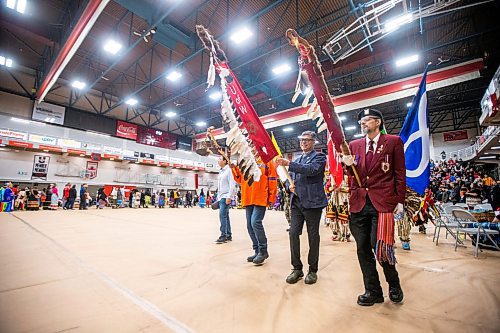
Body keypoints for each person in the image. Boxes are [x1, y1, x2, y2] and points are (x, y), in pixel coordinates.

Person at [342, 108, 405, 306]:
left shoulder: (393, 142)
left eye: (367, 120)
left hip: (382, 202)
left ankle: (393, 284)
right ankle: (373, 290)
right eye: (361, 120)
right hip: (359, 203)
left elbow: (399, 173)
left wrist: (400, 201)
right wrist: (346, 164)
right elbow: (353, 173)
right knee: (362, 249)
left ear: (378, 122)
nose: (363, 123)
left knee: (380, 246)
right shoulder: (354, 144)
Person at [276, 130, 327, 285]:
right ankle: (297, 268)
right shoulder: (298, 159)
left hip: (313, 203)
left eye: (307, 140)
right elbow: (288, 178)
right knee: (293, 233)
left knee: (313, 237)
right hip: (297, 202)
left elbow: (311, 170)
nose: (303, 142)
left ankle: (313, 270)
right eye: (302, 140)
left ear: (314, 142)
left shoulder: (319, 157)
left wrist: (289, 163)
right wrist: (288, 186)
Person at [233, 151, 278, 265]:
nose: (252, 148)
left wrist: (272, 197)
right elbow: (239, 179)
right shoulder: (245, 161)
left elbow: (272, 179)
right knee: (249, 225)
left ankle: (263, 251)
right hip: (248, 197)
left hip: (261, 197)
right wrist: (233, 168)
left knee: (255, 222)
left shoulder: (267, 161)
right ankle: (257, 250)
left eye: (254, 145)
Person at [214, 157, 237, 244]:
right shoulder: (221, 171)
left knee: (222, 216)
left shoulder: (229, 170)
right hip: (221, 197)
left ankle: (223, 235)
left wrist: (229, 196)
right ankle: (228, 235)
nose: (218, 160)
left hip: (226, 196)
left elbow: (232, 184)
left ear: (224, 161)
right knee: (225, 216)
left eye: (219, 159)